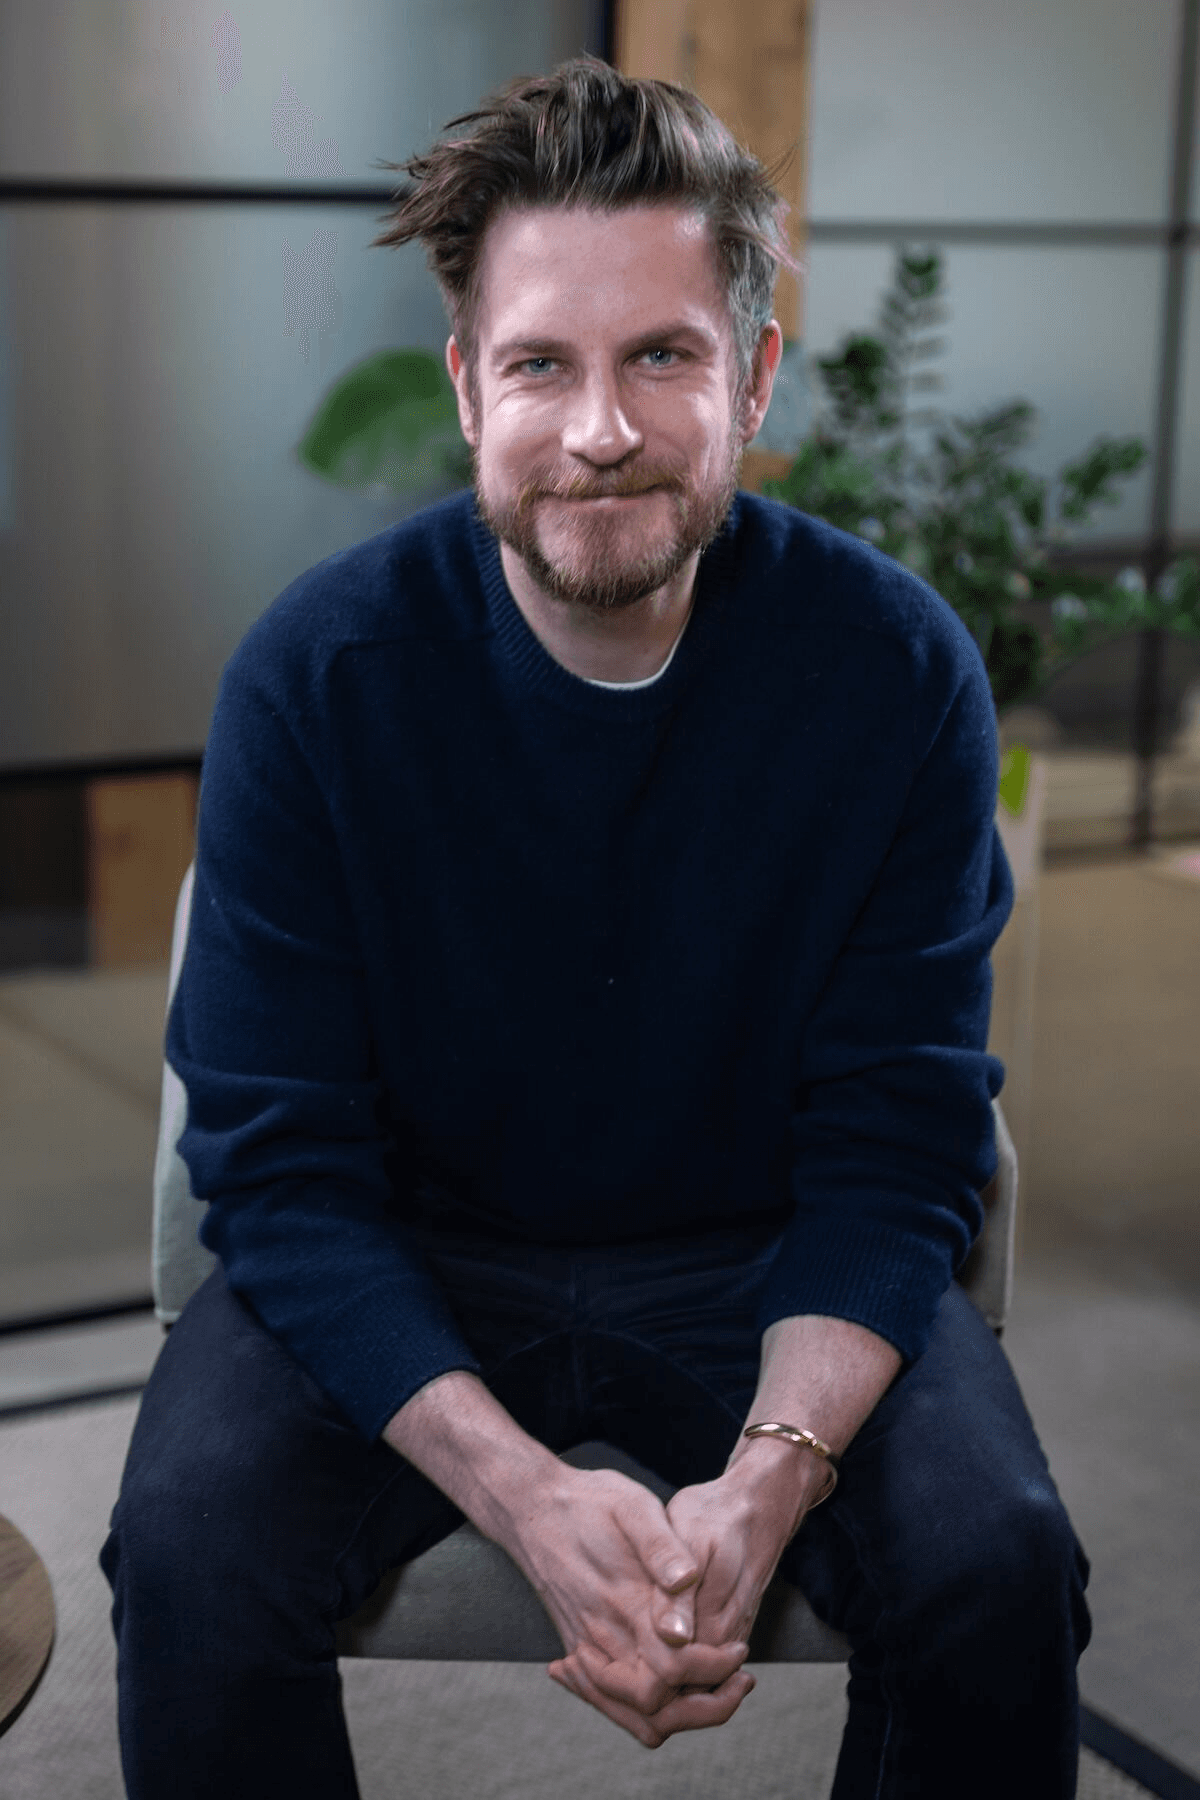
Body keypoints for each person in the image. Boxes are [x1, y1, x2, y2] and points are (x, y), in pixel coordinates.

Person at [101, 54, 1091, 1800]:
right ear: (470, 382)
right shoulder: (317, 679)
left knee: (998, 1562)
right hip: (409, 1244)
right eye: (543, 363)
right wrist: (528, 1497)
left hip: (761, 1247)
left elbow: (897, 1130)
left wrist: (774, 1469)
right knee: (189, 1551)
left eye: (664, 357)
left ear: (757, 375)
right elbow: (282, 1164)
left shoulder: (897, 674)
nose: (602, 429)